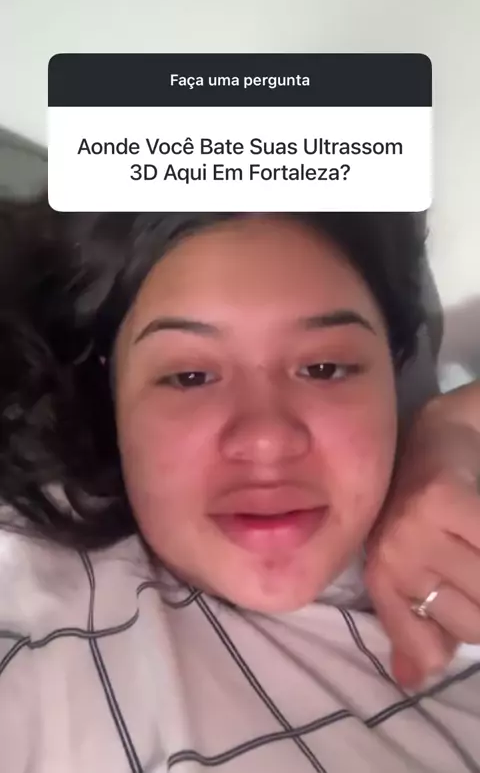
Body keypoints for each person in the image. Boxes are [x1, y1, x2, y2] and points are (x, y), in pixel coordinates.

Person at [0, 204, 479, 772]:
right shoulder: (33, 606)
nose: (267, 440)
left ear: (392, 367)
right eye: (191, 377)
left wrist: (451, 424)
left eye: (324, 368)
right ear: (114, 385)